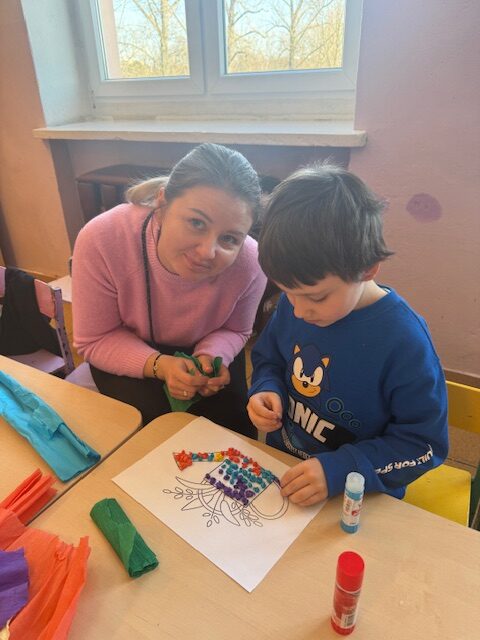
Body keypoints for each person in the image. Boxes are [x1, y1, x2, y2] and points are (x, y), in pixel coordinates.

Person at [247, 164, 448, 506]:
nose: (298, 310)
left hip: (359, 495)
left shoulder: (404, 342)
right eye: (286, 293)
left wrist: (341, 470)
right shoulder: (296, 303)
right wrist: (266, 388)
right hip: (286, 474)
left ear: (367, 268)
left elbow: (423, 444)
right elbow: (269, 359)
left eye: (316, 297)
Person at [72, 143, 267, 437]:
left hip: (207, 350)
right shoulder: (102, 238)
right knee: (150, 429)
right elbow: (96, 338)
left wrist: (210, 358)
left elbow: (236, 330)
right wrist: (160, 365)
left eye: (229, 239)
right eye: (196, 223)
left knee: (233, 428)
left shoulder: (251, 262)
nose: (207, 252)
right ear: (162, 205)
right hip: (127, 347)